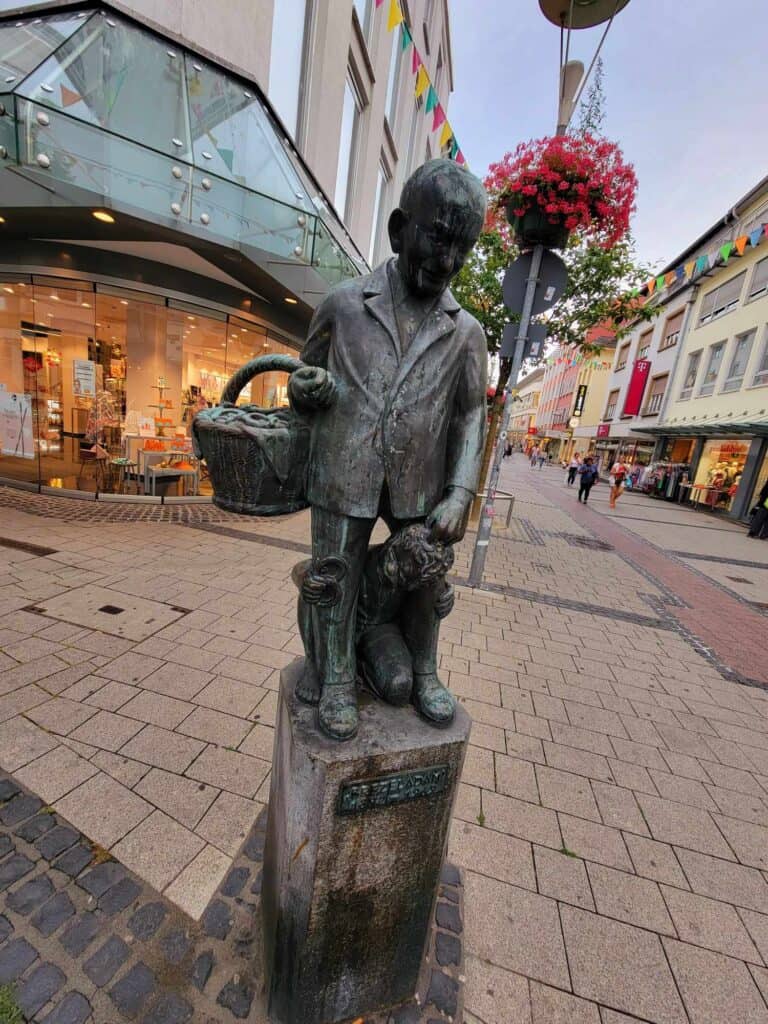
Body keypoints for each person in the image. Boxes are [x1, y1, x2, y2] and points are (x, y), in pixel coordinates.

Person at [288, 158, 487, 741]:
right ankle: (337, 681)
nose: (447, 262)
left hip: (420, 480)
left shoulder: (466, 332)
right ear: (400, 229)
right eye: (436, 239)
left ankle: (425, 670)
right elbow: (302, 376)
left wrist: (459, 493)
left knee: (423, 577)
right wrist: (303, 388)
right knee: (335, 575)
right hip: (342, 469)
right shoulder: (345, 303)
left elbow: (473, 414)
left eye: (462, 249)